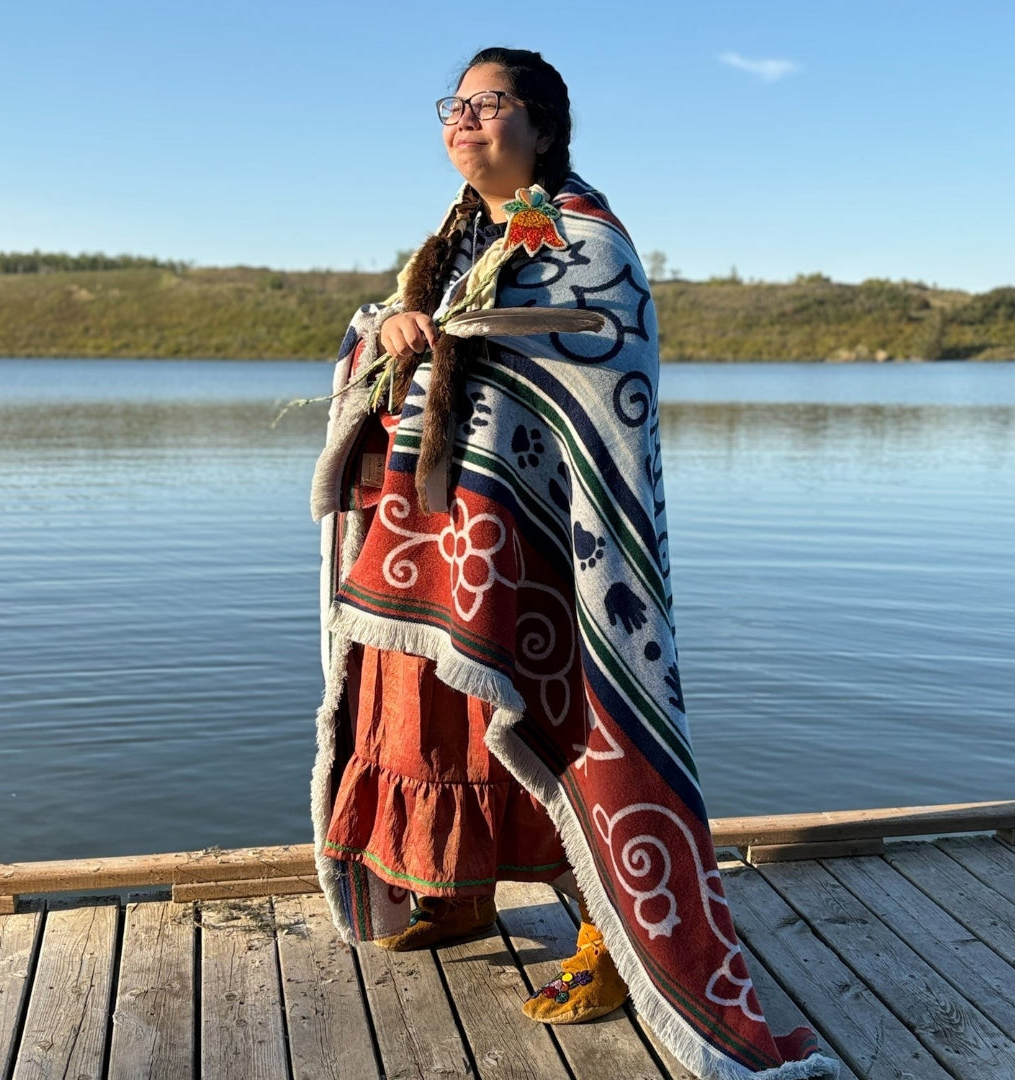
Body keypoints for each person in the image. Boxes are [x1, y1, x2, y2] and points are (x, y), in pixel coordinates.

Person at [310, 47, 838, 1079]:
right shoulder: (446, 248)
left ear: (543, 128)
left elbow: (594, 353)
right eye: (454, 104)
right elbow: (395, 349)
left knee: (574, 711)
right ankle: (453, 890)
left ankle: (606, 938)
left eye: (489, 103)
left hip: (556, 533)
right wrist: (392, 335)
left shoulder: (590, 241)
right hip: (441, 533)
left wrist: (450, 340)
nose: (465, 119)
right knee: (434, 713)